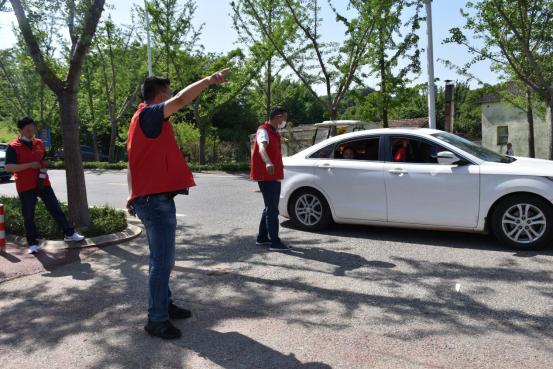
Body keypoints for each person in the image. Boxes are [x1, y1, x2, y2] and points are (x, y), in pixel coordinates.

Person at [127, 69, 229, 340]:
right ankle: (156, 320)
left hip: (151, 198)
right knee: (162, 262)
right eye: (169, 93)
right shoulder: (149, 115)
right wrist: (208, 81)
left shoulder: (141, 121)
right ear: (160, 96)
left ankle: (164, 306)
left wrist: (131, 193)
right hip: (155, 201)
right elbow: (184, 100)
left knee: (160, 261)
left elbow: (132, 162)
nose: (172, 97)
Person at [4, 117, 84, 254]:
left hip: (43, 182)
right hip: (25, 186)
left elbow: (44, 159)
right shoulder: (12, 147)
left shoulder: (39, 143)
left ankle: (69, 234)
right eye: (28, 130)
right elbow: (8, 168)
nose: (31, 131)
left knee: (55, 208)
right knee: (28, 215)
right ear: (20, 130)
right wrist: (30, 165)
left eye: (33, 128)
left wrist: (46, 164)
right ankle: (32, 243)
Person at [250, 106, 291, 251]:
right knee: (273, 209)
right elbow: (261, 148)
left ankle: (262, 237)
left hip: (273, 175)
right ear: (278, 117)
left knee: (270, 206)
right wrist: (267, 162)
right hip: (266, 175)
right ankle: (275, 242)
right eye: (284, 118)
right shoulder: (263, 131)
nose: (285, 121)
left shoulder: (274, 132)